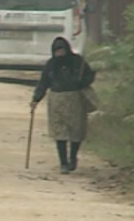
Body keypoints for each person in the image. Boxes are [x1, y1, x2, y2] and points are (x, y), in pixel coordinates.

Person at [30, 37, 95, 174]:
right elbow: (43, 83)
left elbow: (89, 75)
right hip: (56, 99)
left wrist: (81, 83)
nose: (59, 53)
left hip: (75, 99)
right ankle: (63, 162)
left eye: (62, 50)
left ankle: (73, 157)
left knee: (76, 131)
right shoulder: (51, 65)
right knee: (59, 132)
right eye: (57, 51)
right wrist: (36, 99)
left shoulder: (77, 62)